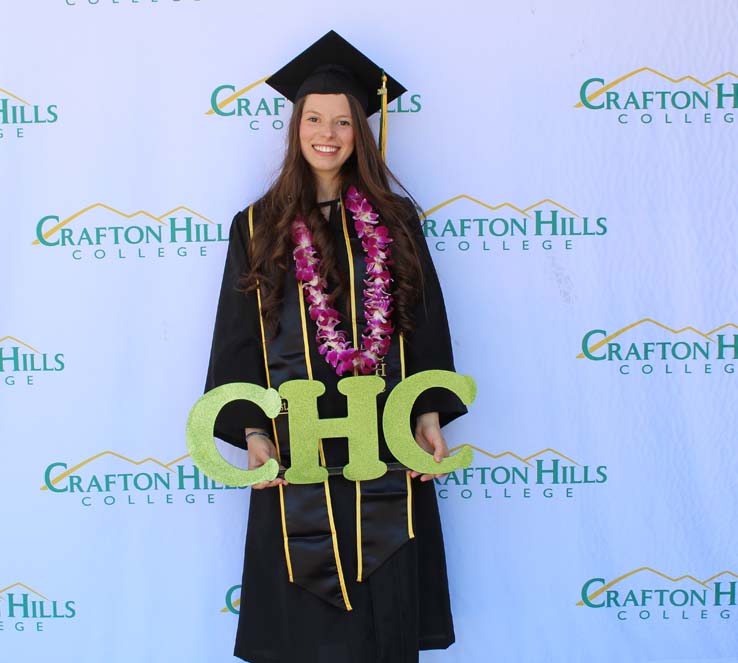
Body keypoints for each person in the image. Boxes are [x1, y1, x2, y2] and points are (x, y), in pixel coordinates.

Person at [205, 30, 467, 663]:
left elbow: (422, 320)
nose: (328, 132)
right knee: (304, 604)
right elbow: (237, 335)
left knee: (383, 591)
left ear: (362, 132)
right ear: (296, 127)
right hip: (297, 445)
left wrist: (427, 413)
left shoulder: (397, 220)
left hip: (383, 435)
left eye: (344, 120)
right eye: (315, 118)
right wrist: (253, 435)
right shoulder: (257, 224)